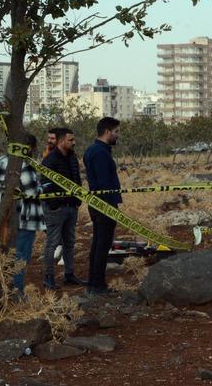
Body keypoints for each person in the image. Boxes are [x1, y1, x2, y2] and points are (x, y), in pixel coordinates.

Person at [0, 133, 46, 295]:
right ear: (29, 148)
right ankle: (16, 296)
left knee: (3, 257)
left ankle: (2, 294)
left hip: (0, 219)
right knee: (20, 258)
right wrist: (44, 188)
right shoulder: (23, 165)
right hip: (24, 219)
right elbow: (33, 191)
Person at [41, 127, 86, 289]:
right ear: (61, 141)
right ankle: (48, 278)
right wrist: (55, 204)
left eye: (73, 140)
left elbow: (77, 180)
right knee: (52, 243)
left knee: (69, 242)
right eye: (70, 140)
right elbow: (45, 184)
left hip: (71, 207)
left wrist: (77, 201)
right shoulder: (49, 160)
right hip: (56, 209)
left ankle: (69, 275)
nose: (74, 142)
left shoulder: (72, 158)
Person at [83, 117, 122, 295]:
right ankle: (97, 285)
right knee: (102, 245)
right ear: (107, 131)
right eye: (116, 132)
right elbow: (104, 183)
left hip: (100, 203)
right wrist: (110, 204)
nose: (118, 136)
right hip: (104, 205)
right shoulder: (99, 153)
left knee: (99, 244)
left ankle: (94, 283)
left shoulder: (95, 150)